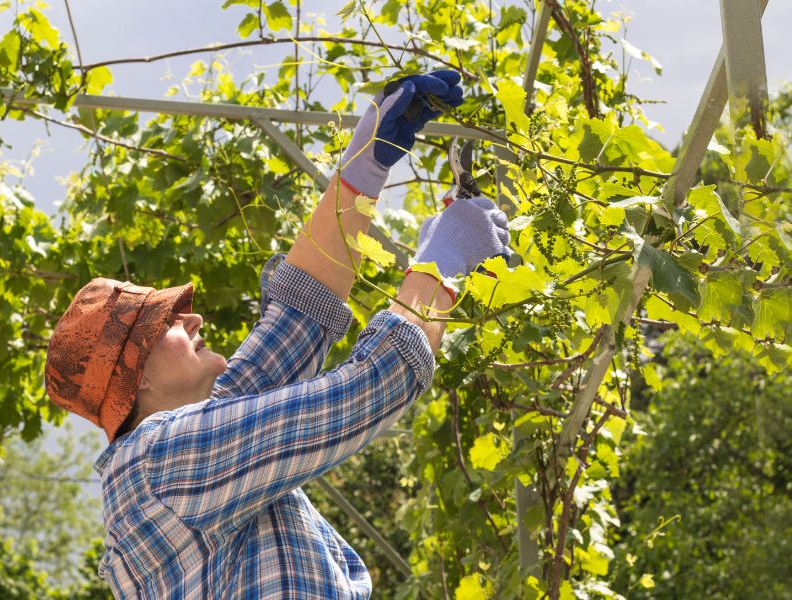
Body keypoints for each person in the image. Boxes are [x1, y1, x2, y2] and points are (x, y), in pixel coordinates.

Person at [43, 70, 512, 599]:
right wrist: (440, 266)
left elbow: (300, 315)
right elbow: (368, 392)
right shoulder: (157, 464)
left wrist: (365, 165)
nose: (192, 319)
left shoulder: (187, 447)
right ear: (135, 380)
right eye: (166, 324)